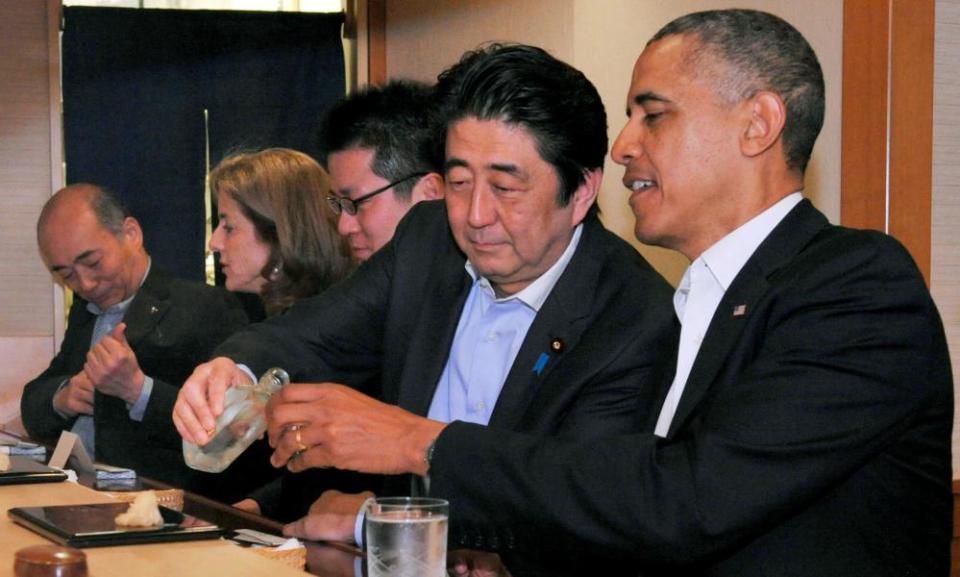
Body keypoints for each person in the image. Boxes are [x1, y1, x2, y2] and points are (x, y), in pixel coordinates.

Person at [257, 9, 955, 577]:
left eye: (653, 115)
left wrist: (423, 443)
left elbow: (683, 501)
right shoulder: (698, 301)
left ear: (758, 125)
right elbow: (607, 495)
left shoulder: (856, 285)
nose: (623, 145)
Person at [174, 44, 679, 575]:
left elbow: (570, 508)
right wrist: (234, 368)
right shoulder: (428, 240)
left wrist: (376, 514)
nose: (476, 216)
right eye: (460, 182)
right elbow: (311, 334)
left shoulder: (633, 318)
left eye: (506, 187)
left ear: (580, 190)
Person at [232, 81, 445, 522]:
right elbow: (301, 337)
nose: (345, 227)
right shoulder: (381, 288)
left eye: (357, 204)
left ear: (429, 193)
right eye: (338, 205)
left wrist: (370, 516)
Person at [20, 183, 248, 488]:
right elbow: (34, 402)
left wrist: (138, 391)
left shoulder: (205, 307)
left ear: (131, 234)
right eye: (66, 275)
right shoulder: (86, 311)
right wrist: (65, 396)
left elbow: (230, 434)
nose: (85, 284)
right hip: (73, 489)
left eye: (93, 263)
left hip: (156, 502)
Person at [192, 147, 355, 502]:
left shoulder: (341, 335)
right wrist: (258, 507)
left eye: (229, 226)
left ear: (281, 236)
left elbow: (340, 477)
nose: (214, 242)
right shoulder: (260, 317)